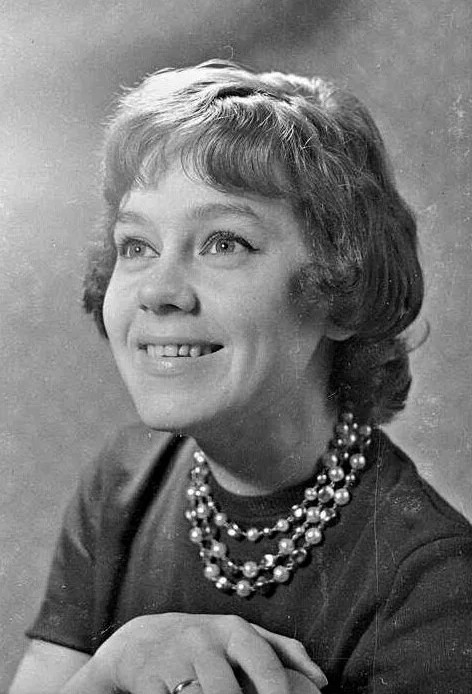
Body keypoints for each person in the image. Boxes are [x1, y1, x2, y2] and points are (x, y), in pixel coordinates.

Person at [9, 60, 472, 694]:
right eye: (136, 246)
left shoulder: (433, 586)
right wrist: (115, 663)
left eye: (224, 243)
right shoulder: (121, 483)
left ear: (341, 293)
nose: (159, 291)